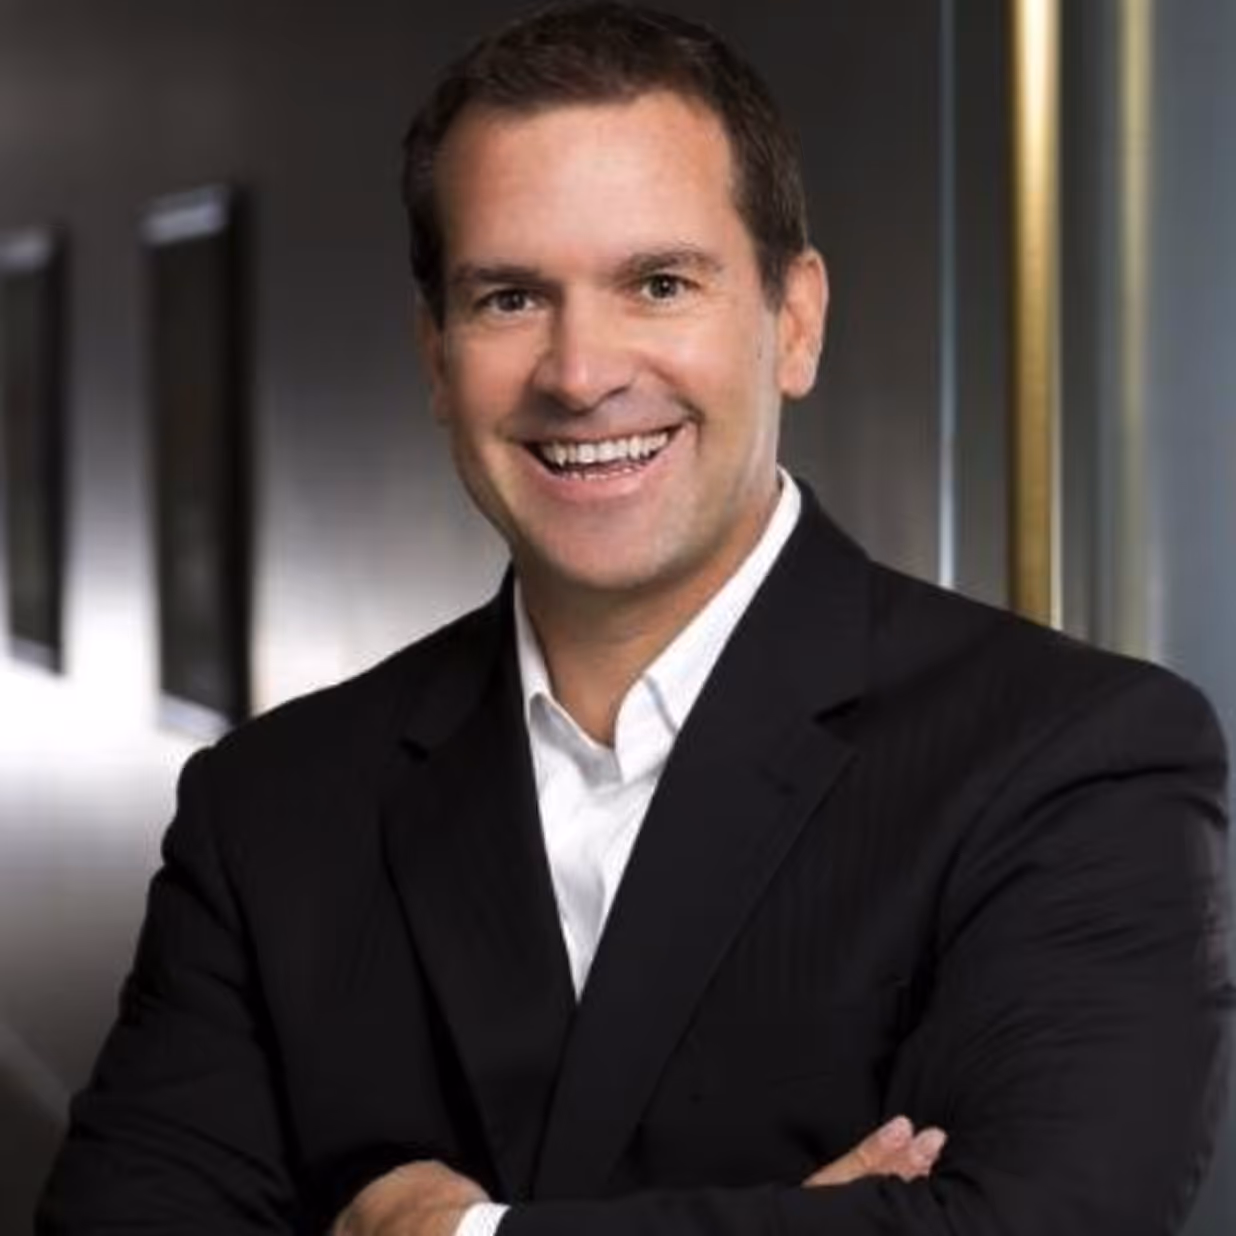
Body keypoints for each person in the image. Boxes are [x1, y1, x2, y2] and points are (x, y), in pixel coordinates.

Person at [37, 4, 1232, 1235]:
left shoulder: (1074, 758)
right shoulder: (270, 809)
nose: (580, 370)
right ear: (437, 361)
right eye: (509, 298)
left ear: (797, 320)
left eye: (660, 283)